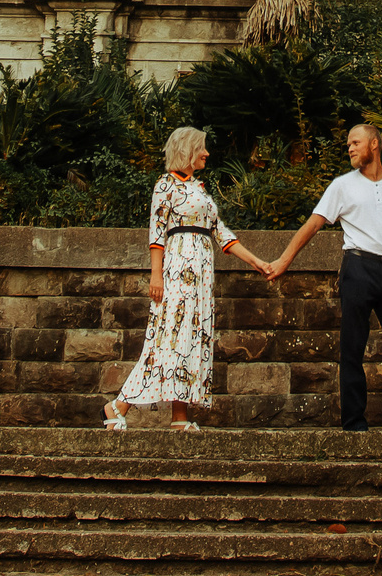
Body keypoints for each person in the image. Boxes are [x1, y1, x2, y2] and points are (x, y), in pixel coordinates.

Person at [265, 122, 382, 432]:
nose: (350, 148)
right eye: (347, 144)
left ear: (374, 145)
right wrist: (283, 260)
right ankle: (354, 422)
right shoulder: (342, 186)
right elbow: (313, 224)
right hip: (357, 268)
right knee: (352, 348)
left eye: (355, 142)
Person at [105, 126, 273, 431]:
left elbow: (221, 233)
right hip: (177, 268)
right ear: (187, 150)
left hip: (201, 275)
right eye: (202, 148)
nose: (207, 154)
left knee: (189, 339)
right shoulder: (165, 185)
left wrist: (257, 262)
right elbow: (156, 234)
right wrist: (156, 276)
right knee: (168, 338)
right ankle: (118, 405)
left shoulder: (199, 189)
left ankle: (179, 418)